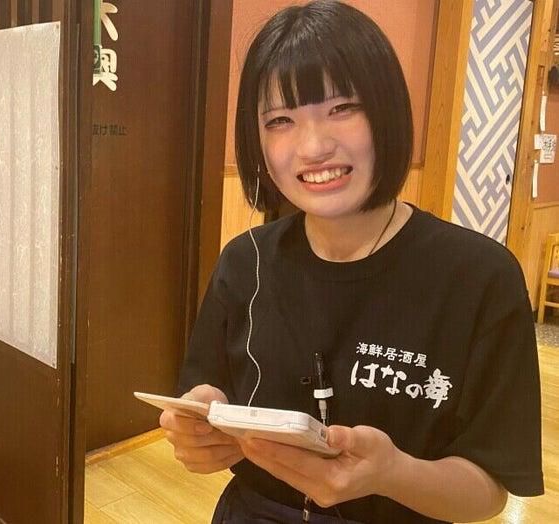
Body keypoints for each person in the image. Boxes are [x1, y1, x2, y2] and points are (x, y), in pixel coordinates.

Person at [160, 1, 544, 522]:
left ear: (387, 113)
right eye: (280, 120)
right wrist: (198, 433)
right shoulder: (245, 261)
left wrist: (391, 473)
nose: (313, 147)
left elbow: (489, 493)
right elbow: (207, 400)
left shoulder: (479, 276)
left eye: (342, 108)